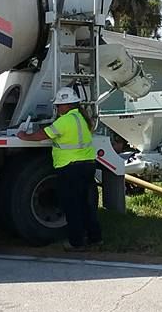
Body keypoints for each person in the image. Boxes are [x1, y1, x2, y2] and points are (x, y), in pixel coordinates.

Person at [16, 87, 101, 251]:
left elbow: (42, 135)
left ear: (67, 105)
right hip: (87, 165)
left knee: (72, 206)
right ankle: (95, 238)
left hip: (70, 169)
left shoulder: (64, 121)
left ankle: (76, 243)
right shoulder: (82, 119)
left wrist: (24, 136)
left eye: (59, 105)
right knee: (86, 205)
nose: (57, 108)